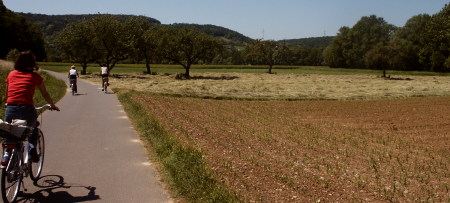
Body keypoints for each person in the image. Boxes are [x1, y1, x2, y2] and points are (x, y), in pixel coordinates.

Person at [3, 51, 60, 163]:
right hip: (27, 109)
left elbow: (7, 93)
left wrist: (8, 103)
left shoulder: (11, 74)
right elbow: (45, 93)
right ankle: (32, 148)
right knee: (33, 129)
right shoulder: (35, 76)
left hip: (10, 108)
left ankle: (9, 161)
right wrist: (52, 105)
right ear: (33, 63)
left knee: (10, 136)